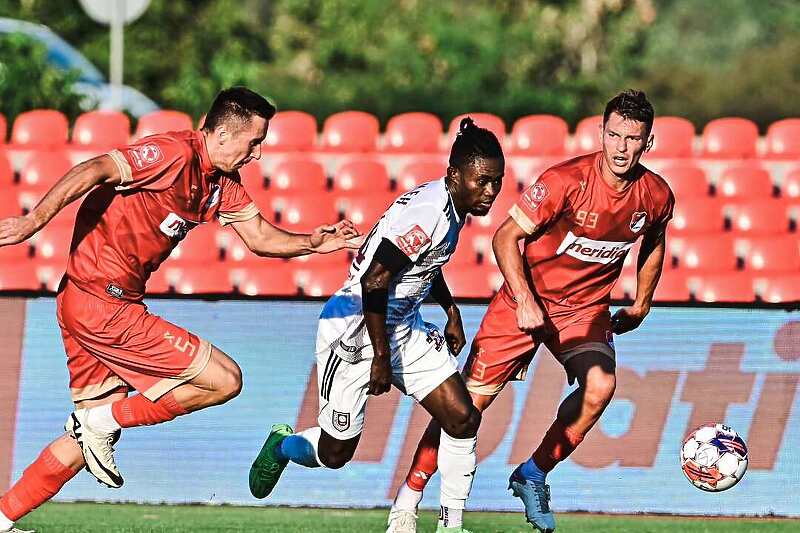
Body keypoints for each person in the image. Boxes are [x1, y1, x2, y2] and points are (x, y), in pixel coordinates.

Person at [0, 87, 360, 533]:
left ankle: (2, 517)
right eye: (253, 142)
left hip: (89, 299)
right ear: (224, 133)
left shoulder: (221, 185)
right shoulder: (171, 153)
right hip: (100, 301)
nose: (258, 154)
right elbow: (96, 168)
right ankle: (101, 419)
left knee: (85, 441)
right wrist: (34, 222)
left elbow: (262, 238)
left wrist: (312, 242)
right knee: (223, 380)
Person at [388, 90, 675, 533]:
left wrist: (642, 301)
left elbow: (654, 240)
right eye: (614, 135)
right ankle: (409, 497)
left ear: (647, 143)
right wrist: (523, 297)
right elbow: (505, 236)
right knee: (464, 409)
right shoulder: (566, 181)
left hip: (585, 310)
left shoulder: (655, 195)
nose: (621, 147)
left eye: (632, 138)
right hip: (525, 302)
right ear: (601, 133)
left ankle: (534, 473)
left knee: (601, 386)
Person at [248, 118, 504, 533]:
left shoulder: (451, 207)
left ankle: (451, 526)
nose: (491, 192)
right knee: (335, 454)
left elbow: (423, 263)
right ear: (455, 174)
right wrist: (381, 358)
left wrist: (451, 311)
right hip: (354, 332)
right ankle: (281, 446)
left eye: (497, 182)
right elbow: (375, 280)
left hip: (401, 324)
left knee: (462, 418)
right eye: (483, 181)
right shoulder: (429, 214)